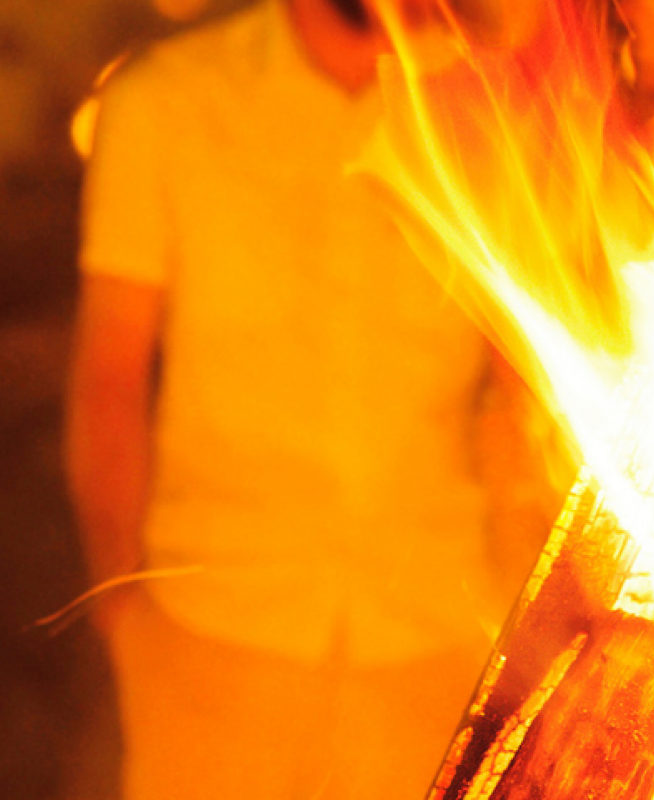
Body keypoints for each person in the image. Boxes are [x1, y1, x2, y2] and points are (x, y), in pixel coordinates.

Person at [66, 0, 551, 796]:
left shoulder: (489, 114)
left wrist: (531, 624)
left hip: (432, 643)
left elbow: (530, 386)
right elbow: (109, 376)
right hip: (213, 635)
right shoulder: (167, 99)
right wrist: (123, 617)